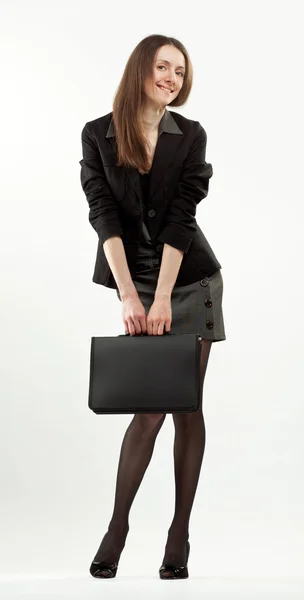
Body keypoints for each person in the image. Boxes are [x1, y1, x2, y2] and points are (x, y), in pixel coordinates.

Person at [79, 34, 226, 580]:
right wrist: (129, 294)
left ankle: (179, 531)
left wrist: (162, 295)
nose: (171, 78)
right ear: (141, 68)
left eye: (180, 72)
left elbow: (182, 218)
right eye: (163, 66)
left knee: (185, 404)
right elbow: (103, 216)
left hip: (190, 280)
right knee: (150, 409)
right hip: (135, 280)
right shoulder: (99, 133)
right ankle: (118, 527)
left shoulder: (189, 135)